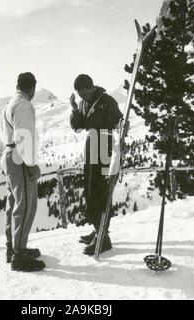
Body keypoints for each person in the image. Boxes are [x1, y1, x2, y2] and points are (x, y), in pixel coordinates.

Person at [70, 74, 123, 256]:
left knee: (99, 193)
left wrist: (122, 128)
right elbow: (78, 127)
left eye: (85, 93)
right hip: (92, 148)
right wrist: (75, 109)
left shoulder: (106, 101)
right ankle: (97, 228)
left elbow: (119, 123)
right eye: (80, 95)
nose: (83, 97)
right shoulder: (84, 103)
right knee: (89, 191)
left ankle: (103, 237)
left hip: (104, 149)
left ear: (92, 87)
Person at [0, 72, 45, 272]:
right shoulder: (25, 105)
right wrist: (32, 164)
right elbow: (23, 136)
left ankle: (13, 248)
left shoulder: (9, 104)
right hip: (19, 157)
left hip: (8, 154)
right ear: (32, 88)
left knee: (14, 203)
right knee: (26, 204)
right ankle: (19, 254)